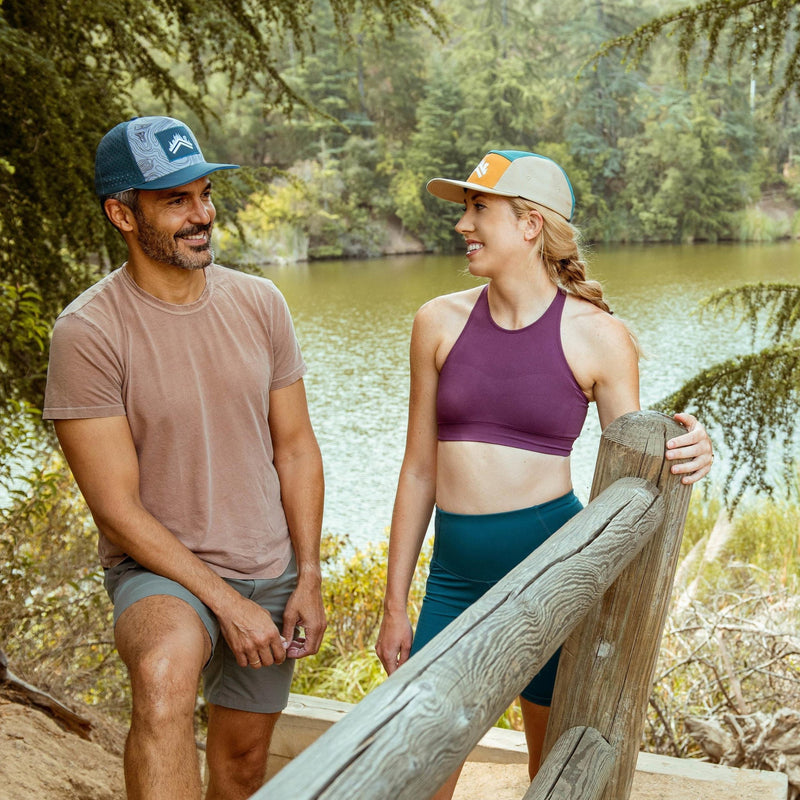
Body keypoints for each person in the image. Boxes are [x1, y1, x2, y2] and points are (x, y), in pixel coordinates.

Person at [374, 150, 714, 798]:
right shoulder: (436, 323)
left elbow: (635, 475)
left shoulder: (598, 336)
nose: (461, 225)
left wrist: (689, 445)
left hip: (555, 576)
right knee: (416, 775)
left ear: (530, 224)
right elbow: (418, 470)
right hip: (451, 582)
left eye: (478, 209)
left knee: (550, 776)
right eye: (465, 209)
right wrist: (396, 605)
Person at [43, 116, 326, 800]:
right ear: (121, 213)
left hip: (270, 568)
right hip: (159, 573)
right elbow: (115, 508)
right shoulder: (88, 332)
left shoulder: (260, 303)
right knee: (165, 679)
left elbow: (295, 449)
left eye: (204, 194)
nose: (202, 215)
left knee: (240, 767)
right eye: (176, 201)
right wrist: (224, 602)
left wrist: (309, 572)